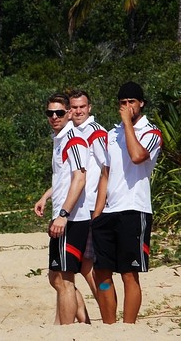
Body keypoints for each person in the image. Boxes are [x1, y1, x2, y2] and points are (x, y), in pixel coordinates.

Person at [34, 90, 108, 322]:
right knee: (59, 276)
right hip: (69, 211)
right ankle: (81, 321)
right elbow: (64, 178)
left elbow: (86, 175)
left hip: (79, 213)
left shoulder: (79, 138)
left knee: (71, 276)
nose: (54, 116)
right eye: (50, 113)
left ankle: (104, 319)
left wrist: (67, 214)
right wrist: (47, 197)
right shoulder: (62, 140)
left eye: (58, 112)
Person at [92, 81, 162, 324]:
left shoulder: (151, 133)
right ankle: (109, 326)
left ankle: (128, 328)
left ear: (141, 103)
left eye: (131, 102)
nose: (127, 107)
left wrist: (128, 125)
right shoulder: (112, 135)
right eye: (123, 103)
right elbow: (105, 175)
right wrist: (96, 215)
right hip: (109, 211)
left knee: (128, 273)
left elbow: (137, 156)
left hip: (135, 210)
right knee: (101, 272)